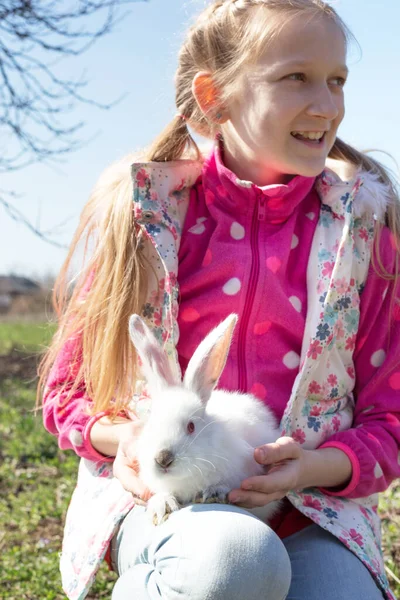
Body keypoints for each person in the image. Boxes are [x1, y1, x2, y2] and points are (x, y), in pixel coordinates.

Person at [38, 1, 400, 599]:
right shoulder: (150, 221)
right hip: (165, 497)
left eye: (337, 80)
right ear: (215, 96)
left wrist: (313, 466)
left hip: (311, 511)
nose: (327, 104)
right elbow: (67, 392)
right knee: (233, 561)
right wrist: (126, 440)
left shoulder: (362, 236)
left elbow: (389, 421)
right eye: (296, 78)